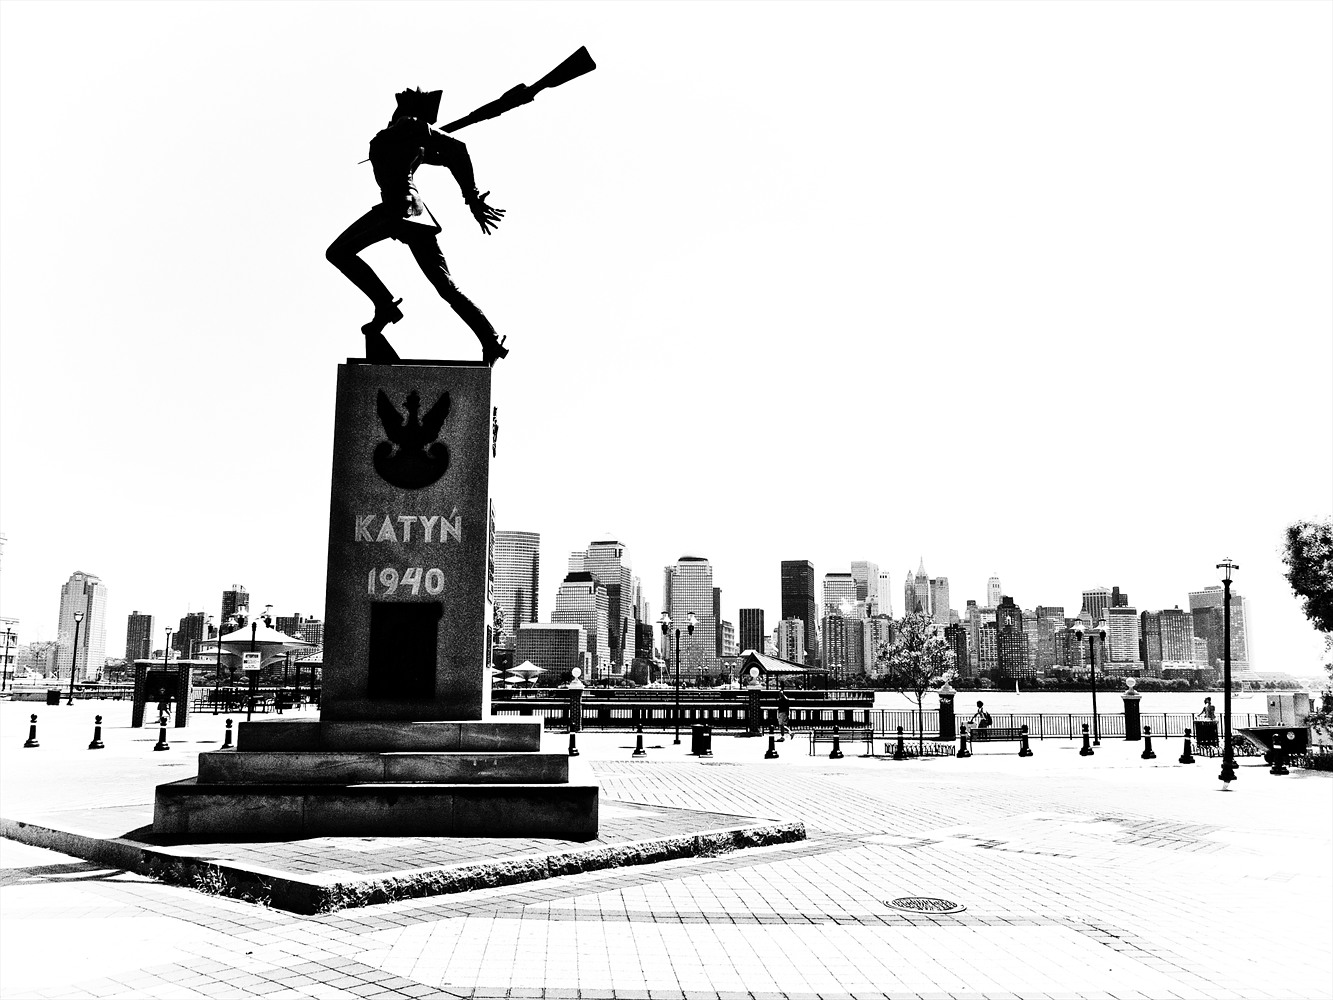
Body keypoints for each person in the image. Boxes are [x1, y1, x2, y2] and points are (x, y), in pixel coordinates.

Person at [327, 87, 508, 364]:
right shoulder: (407, 134)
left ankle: (385, 304)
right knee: (446, 286)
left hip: (399, 208)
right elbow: (445, 153)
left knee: (338, 252)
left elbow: (456, 150)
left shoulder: (408, 124)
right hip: (408, 211)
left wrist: (471, 198)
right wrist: (425, 142)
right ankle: (489, 338)